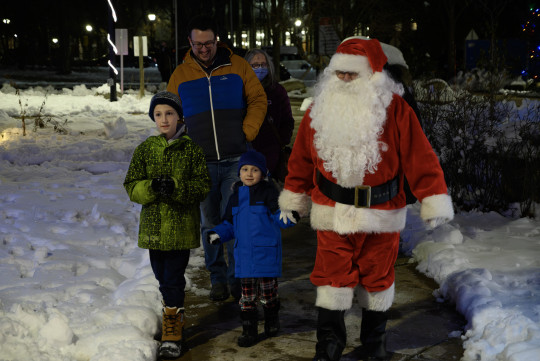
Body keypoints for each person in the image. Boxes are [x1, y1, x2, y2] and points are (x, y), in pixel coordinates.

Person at [277, 38, 454, 360]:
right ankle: (328, 343)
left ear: (373, 73)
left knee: (378, 279)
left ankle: (374, 344)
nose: (343, 78)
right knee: (332, 279)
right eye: (339, 72)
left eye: (351, 73)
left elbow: (419, 156)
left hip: (381, 212)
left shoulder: (396, 109)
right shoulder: (320, 108)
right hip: (331, 210)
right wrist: (294, 193)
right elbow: (301, 158)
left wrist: (433, 196)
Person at [167, 14, 267, 302]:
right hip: (201, 163)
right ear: (190, 42)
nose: (204, 49)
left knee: (236, 218)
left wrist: (247, 130)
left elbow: (258, 100)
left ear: (216, 40)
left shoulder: (237, 66)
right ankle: (218, 279)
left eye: (208, 43)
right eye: (198, 44)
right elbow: (169, 114)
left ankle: (238, 279)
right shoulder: (180, 75)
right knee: (209, 223)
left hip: (236, 159)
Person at [123, 91, 211, 360]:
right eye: (158, 114)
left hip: (180, 229)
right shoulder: (145, 150)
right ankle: (173, 310)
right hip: (153, 229)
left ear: (179, 117)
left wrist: (176, 187)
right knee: (162, 277)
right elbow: (131, 185)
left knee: (172, 279)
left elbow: (202, 187)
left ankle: (172, 330)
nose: (164, 119)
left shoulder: (192, 150)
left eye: (169, 114)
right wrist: (150, 187)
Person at [206, 150, 299, 347]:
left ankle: (272, 319)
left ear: (263, 173)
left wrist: (289, 217)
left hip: (265, 254)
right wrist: (218, 234)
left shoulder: (269, 192)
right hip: (245, 256)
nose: (249, 174)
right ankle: (249, 329)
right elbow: (229, 224)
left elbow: (278, 217)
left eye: (254, 170)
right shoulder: (235, 195)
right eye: (245, 169)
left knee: (268, 294)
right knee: (246, 297)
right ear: (239, 172)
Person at [244, 49, 295, 182]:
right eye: (255, 65)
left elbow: (287, 120)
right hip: (244, 150)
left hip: (270, 153)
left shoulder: (277, 91)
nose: (260, 68)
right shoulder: (240, 90)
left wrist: (281, 142)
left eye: (263, 64)